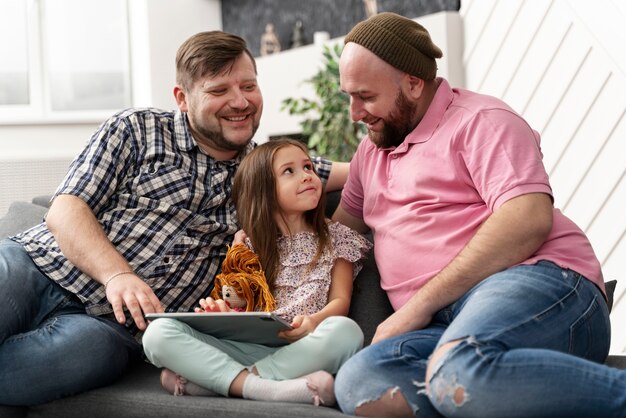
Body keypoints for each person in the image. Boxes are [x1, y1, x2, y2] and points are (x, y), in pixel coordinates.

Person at [0, 31, 348, 406]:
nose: (240, 101)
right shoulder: (137, 129)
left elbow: (360, 168)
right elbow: (66, 209)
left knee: (41, 373)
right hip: (35, 265)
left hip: (113, 329)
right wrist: (118, 275)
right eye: (219, 91)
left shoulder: (268, 169)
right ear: (182, 98)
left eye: (249, 85)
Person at [332, 12, 624, 418]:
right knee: (361, 384)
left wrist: (417, 307)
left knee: (459, 370)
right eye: (348, 96)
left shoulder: (482, 121)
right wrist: (258, 248)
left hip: (542, 283)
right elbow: (337, 237)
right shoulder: (371, 153)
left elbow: (528, 217)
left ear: (413, 84)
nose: (354, 112)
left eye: (364, 96)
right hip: (445, 327)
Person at [142, 139, 372, 406]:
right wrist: (225, 314)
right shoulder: (249, 244)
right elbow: (240, 299)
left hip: (301, 347)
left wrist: (314, 322)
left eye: (308, 167)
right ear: (263, 190)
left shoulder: (338, 238)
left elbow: (340, 302)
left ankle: (228, 381)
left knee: (346, 332)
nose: (307, 175)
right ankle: (262, 387)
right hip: (247, 347)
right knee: (158, 333)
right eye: (290, 171)